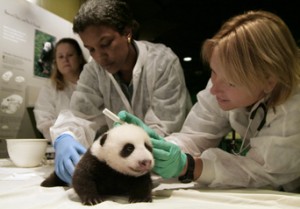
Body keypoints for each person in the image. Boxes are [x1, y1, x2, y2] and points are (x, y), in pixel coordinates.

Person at [118, 10, 300, 192]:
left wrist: (189, 166)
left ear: (269, 80)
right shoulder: (222, 82)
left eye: (231, 82)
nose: (213, 89)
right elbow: (195, 136)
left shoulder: (295, 106)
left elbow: (265, 171)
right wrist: (158, 147)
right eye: (213, 72)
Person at [50, 0, 192, 185]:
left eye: (106, 44)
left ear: (127, 32)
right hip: (122, 167)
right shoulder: (94, 71)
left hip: (166, 171)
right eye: (91, 49)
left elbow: (164, 128)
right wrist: (65, 137)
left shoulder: (162, 62)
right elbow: (79, 115)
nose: (99, 56)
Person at [34, 38, 87, 141]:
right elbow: (44, 122)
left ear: (80, 58)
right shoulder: (50, 88)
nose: (65, 60)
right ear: (56, 62)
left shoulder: (93, 84)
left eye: (70, 55)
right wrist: (66, 136)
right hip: (63, 142)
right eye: (61, 56)